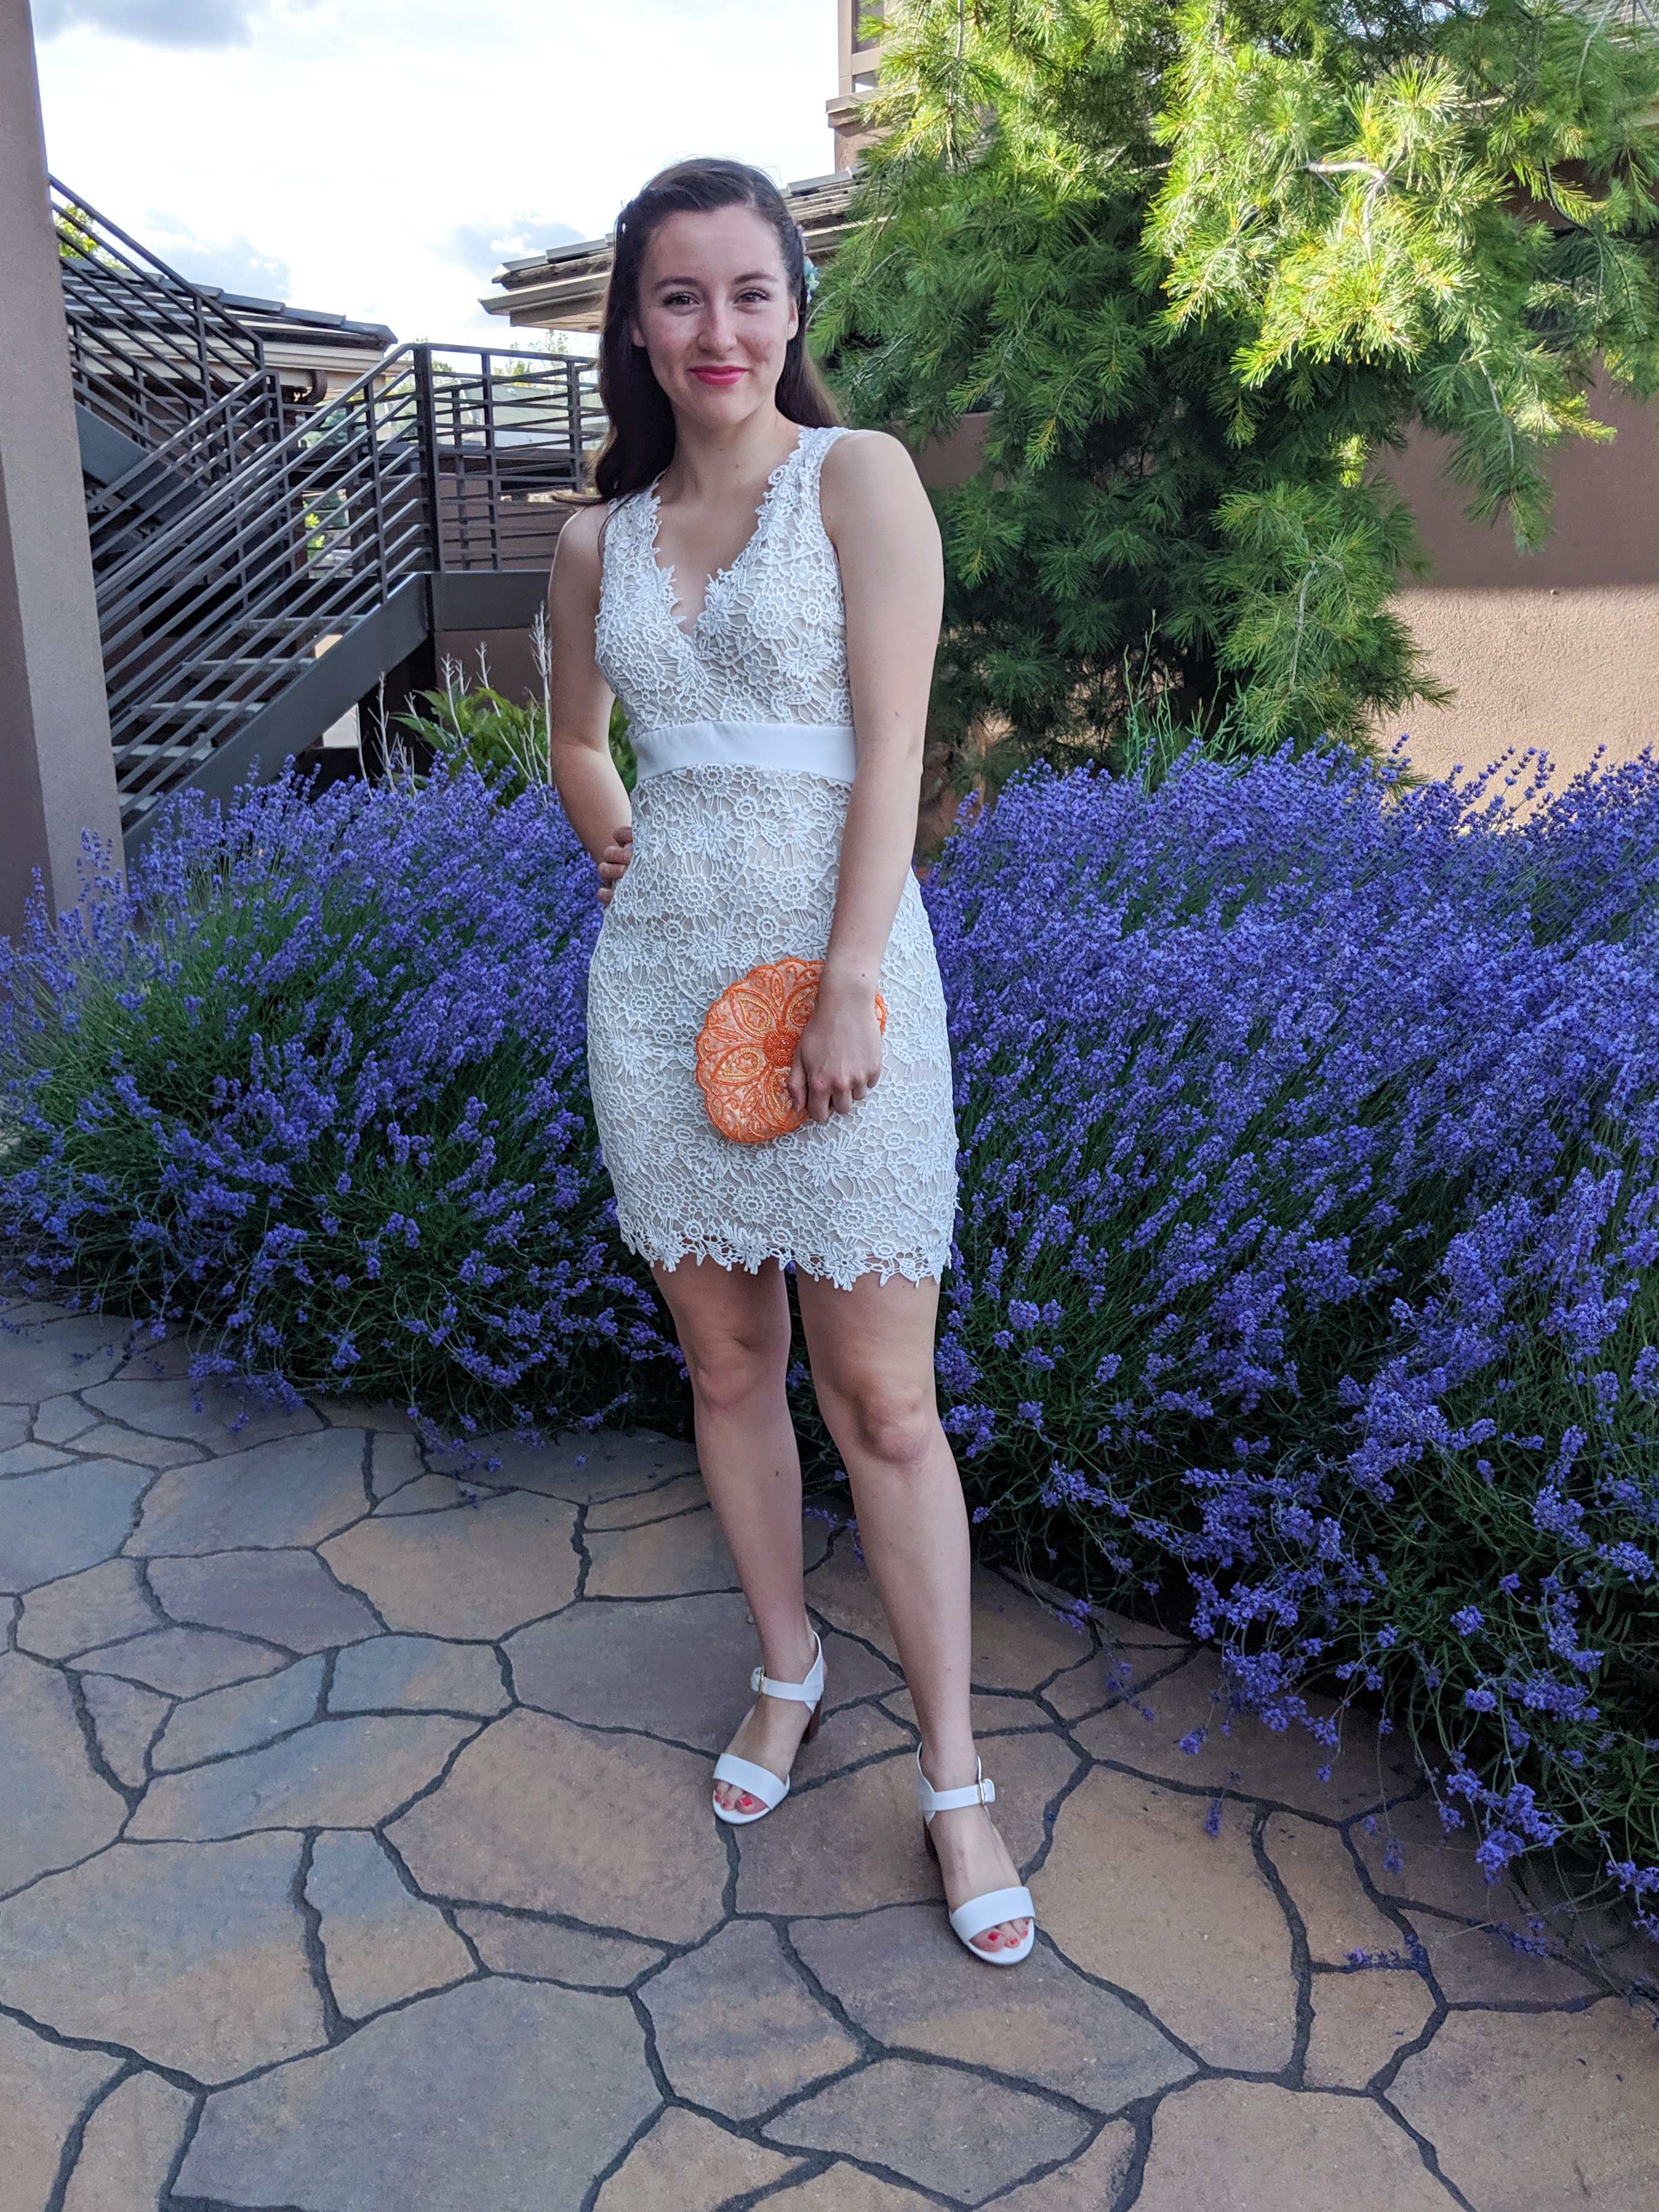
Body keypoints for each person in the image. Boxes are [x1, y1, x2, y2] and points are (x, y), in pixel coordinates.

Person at [546, 158, 1033, 1964]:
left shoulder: (862, 480)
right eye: (679, 297)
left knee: (885, 1402)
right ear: (634, 323)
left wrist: (846, 977)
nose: (718, 330)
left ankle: (956, 1769)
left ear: (793, 308)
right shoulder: (596, 538)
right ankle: (785, 1662)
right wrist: (607, 816)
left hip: (844, 983)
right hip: (656, 988)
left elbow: (892, 750)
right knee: (724, 1356)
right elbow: (577, 732)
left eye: (749, 292)